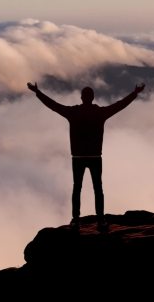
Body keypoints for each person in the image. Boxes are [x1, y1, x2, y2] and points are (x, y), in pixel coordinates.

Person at [27, 81, 145, 230]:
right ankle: (101, 220)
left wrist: (37, 92)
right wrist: (134, 94)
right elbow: (119, 105)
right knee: (98, 188)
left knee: (77, 188)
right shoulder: (100, 113)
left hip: (78, 158)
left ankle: (76, 220)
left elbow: (53, 105)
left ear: (82, 97)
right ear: (93, 97)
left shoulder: (73, 112)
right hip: (95, 157)